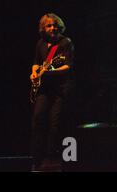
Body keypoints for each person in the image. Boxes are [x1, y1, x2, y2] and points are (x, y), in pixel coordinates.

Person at [30, 13, 75, 171]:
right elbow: (36, 63)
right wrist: (35, 73)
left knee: (55, 123)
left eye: (55, 25)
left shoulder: (65, 42)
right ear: (43, 28)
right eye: (49, 25)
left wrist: (49, 71)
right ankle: (37, 157)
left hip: (60, 89)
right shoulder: (40, 44)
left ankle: (52, 157)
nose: (52, 28)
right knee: (38, 118)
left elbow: (67, 66)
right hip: (44, 88)